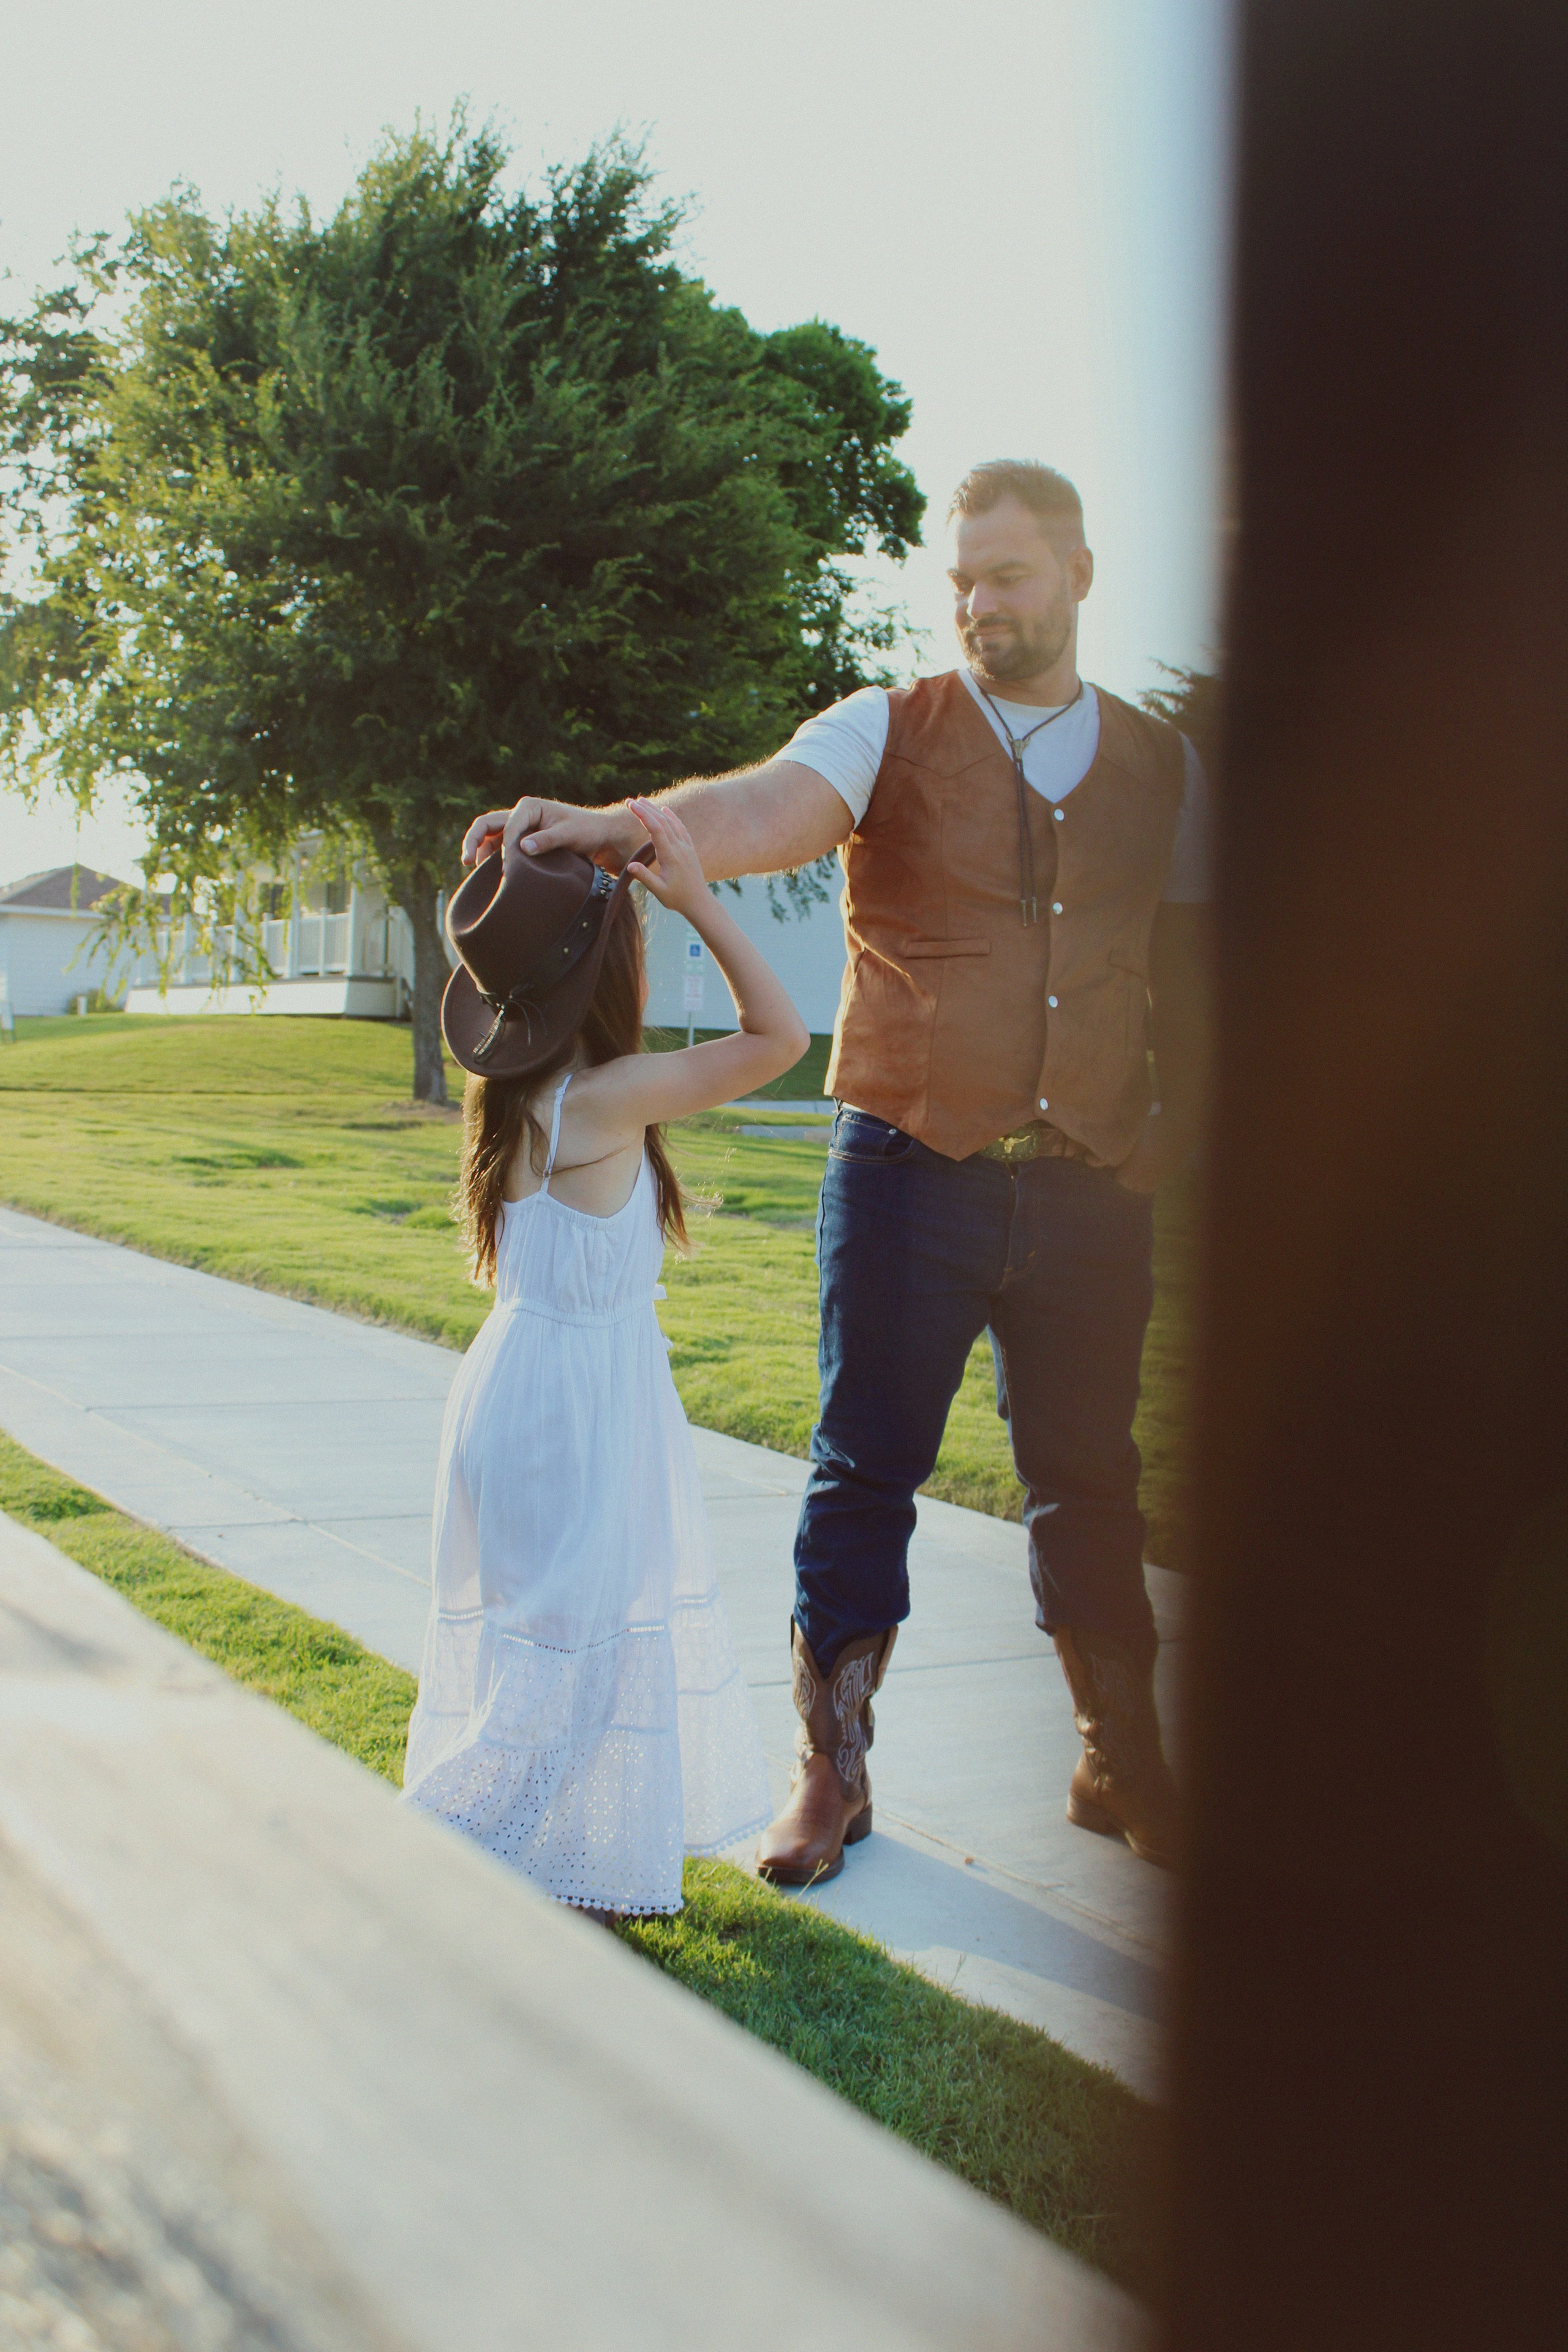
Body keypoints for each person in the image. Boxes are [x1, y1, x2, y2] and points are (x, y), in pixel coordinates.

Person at [460, 459, 1213, 1881]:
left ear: (1077, 576)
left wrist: (1175, 1121)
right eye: (961, 579)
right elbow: (758, 811)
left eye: (1006, 573)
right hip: (906, 1169)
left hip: (1089, 1181)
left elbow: (1189, 952)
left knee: (1089, 1476)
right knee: (863, 1469)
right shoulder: (884, 728)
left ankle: (1120, 1755)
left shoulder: (1158, 759)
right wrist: (625, 829)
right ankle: (833, 1772)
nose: (977, 603)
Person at [401, 799, 807, 1921]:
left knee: (551, 1654)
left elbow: (496, 955)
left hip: (528, 1389)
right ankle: (417, 1862)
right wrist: (698, 900)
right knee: (563, 1666)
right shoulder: (605, 1098)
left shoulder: (513, 1091)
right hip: (571, 1406)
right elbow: (782, 1040)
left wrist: (498, 879)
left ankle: (559, 1870)